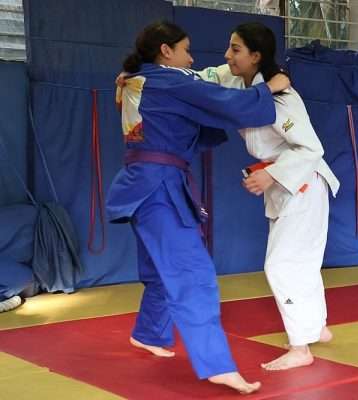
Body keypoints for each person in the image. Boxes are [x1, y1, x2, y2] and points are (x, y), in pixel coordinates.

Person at [106, 20, 290, 394]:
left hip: (140, 183)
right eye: (186, 50)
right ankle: (218, 365)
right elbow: (224, 103)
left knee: (160, 270)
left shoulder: (133, 79)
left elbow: (186, 114)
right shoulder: (168, 81)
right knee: (194, 274)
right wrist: (270, 88)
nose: (191, 58)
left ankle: (148, 332)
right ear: (165, 51)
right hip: (158, 187)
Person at [198, 22, 340, 370]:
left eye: (235, 49)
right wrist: (142, 75)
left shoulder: (282, 100)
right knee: (301, 262)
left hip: (304, 183)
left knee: (281, 265)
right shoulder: (236, 80)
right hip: (286, 186)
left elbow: (311, 148)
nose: (227, 56)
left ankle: (300, 348)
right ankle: (315, 327)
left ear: (256, 56)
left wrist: (270, 174)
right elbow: (199, 79)